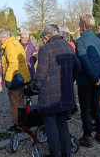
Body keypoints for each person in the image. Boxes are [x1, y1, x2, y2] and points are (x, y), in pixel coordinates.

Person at [26, 24, 80, 157]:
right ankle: (66, 153)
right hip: (65, 94)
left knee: (51, 125)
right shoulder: (68, 46)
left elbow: (40, 75)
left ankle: (54, 154)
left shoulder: (46, 49)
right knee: (62, 123)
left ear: (46, 37)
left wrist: (32, 88)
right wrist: (68, 81)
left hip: (49, 96)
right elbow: (78, 68)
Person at [76, 14, 100, 147]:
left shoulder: (81, 41)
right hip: (97, 79)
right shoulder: (98, 40)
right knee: (95, 105)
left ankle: (87, 136)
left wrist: (95, 78)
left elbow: (84, 61)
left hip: (86, 80)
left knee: (85, 108)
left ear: (83, 25)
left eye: (79, 23)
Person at [0, 28, 31, 130]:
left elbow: (13, 64)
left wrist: (8, 80)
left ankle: (16, 124)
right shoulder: (15, 42)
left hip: (15, 77)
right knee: (20, 100)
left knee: (14, 102)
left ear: (5, 38)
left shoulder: (10, 46)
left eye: (0, 40)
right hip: (22, 77)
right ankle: (22, 122)